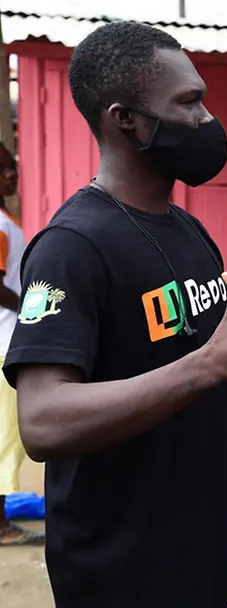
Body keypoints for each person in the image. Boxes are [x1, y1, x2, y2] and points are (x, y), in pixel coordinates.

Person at [2, 22, 227, 607]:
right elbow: (43, 422)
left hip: (200, 544)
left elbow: (210, 386)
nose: (207, 119)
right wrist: (212, 364)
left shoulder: (189, 232)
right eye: (188, 103)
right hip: (120, 565)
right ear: (125, 118)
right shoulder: (71, 246)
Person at [0, 145, 39, 547]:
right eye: (4, 170)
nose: (12, 175)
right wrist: (30, 307)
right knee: (6, 435)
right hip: (4, 343)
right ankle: (1, 526)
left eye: (13, 168)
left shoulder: (7, 221)